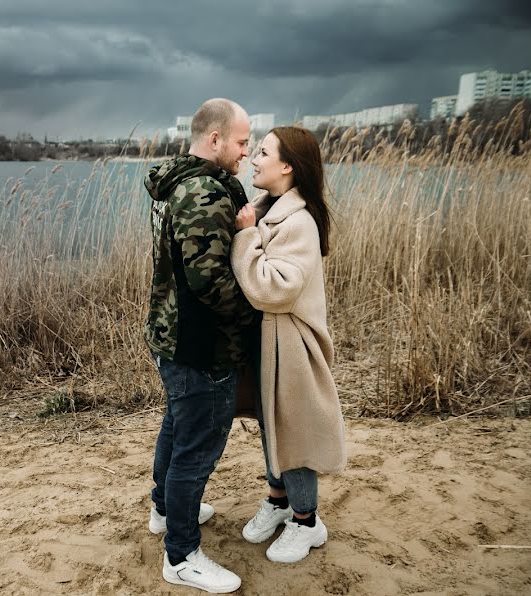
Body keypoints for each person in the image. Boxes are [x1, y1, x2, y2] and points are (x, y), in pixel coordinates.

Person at [145, 98, 257, 593]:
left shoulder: (181, 186)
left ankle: (165, 510)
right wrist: (255, 315)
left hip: (173, 335)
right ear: (214, 139)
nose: (246, 152)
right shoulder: (204, 193)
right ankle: (182, 555)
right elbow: (210, 279)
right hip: (200, 345)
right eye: (241, 141)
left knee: (178, 426)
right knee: (197, 449)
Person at [231, 126, 347, 564]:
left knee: (294, 433)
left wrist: (245, 237)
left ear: (287, 166)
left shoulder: (298, 222)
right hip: (270, 343)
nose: (254, 159)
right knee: (273, 426)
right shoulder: (272, 208)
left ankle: (306, 522)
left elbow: (273, 290)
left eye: (262, 152)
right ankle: (279, 501)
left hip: (292, 346)